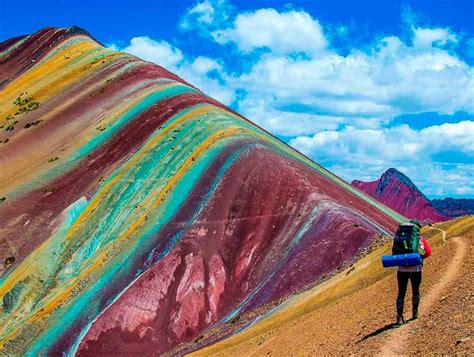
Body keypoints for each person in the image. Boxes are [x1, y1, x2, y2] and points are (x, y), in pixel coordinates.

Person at [395, 219, 431, 326]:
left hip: (401, 269)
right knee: (415, 290)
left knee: (401, 292)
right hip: (416, 269)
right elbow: (428, 252)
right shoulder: (419, 239)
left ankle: (399, 317)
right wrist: (419, 257)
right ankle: (415, 313)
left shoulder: (401, 237)